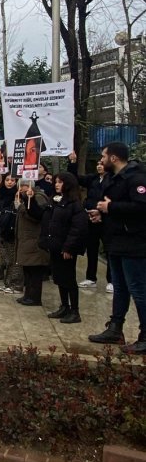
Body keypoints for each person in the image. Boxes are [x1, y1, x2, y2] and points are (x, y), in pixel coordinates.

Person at [88, 141, 146, 353]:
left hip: (134, 243)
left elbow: (141, 207)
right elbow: (117, 209)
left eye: (104, 156)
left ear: (114, 158)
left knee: (138, 289)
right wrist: (102, 213)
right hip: (115, 241)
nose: (101, 160)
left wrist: (110, 207)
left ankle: (145, 335)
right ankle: (115, 329)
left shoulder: (137, 178)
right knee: (120, 288)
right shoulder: (114, 179)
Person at [39, 173, 89, 323]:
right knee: (59, 278)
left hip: (66, 248)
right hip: (55, 246)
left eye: (60, 182)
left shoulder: (74, 204)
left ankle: (75, 311)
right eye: (56, 182)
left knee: (69, 279)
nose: (56, 184)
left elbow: (77, 228)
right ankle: (64, 306)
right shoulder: (54, 201)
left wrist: (68, 248)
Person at [67, 152, 111, 290]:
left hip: (106, 219)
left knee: (109, 249)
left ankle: (112, 280)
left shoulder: (113, 179)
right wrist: (73, 162)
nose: (99, 166)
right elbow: (74, 179)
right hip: (90, 218)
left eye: (102, 164)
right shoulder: (93, 179)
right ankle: (91, 277)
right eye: (98, 164)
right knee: (91, 249)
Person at [14, 181, 49, 306]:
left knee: (35, 271)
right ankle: (28, 295)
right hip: (26, 240)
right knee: (28, 270)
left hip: (34, 239)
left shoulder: (38, 197)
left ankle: (34, 297)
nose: (21, 189)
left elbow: (36, 216)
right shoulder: (25, 198)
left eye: (23, 186)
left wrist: (23, 204)